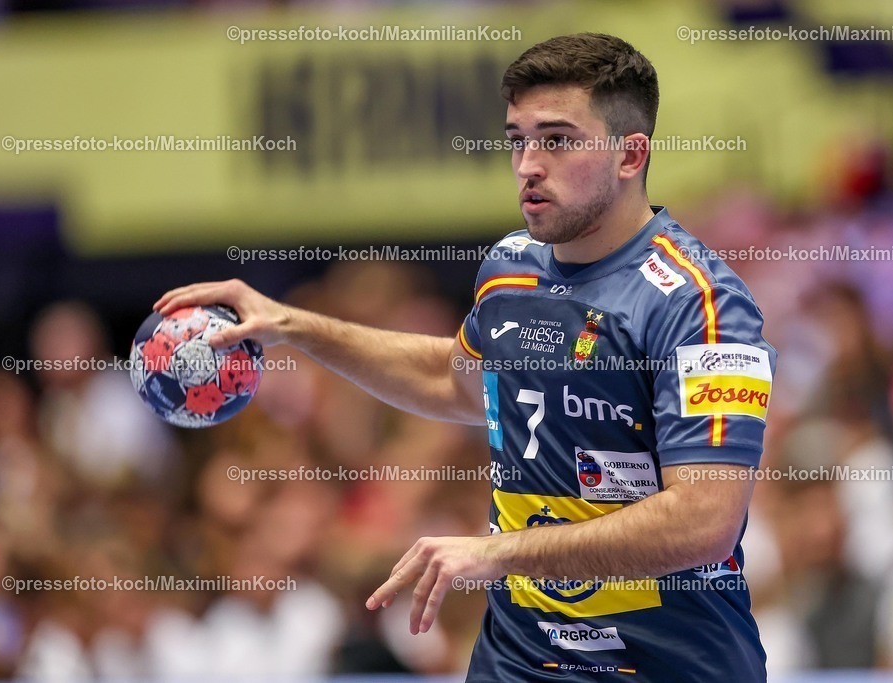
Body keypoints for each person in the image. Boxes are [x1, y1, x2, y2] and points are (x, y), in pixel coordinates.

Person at [154, 33, 775, 683]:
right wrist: (294, 326)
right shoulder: (510, 270)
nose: (529, 164)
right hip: (522, 659)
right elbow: (454, 380)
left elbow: (705, 518)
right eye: (517, 139)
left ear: (630, 154)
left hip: (667, 664)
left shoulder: (702, 306)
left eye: (557, 140)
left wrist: (501, 553)